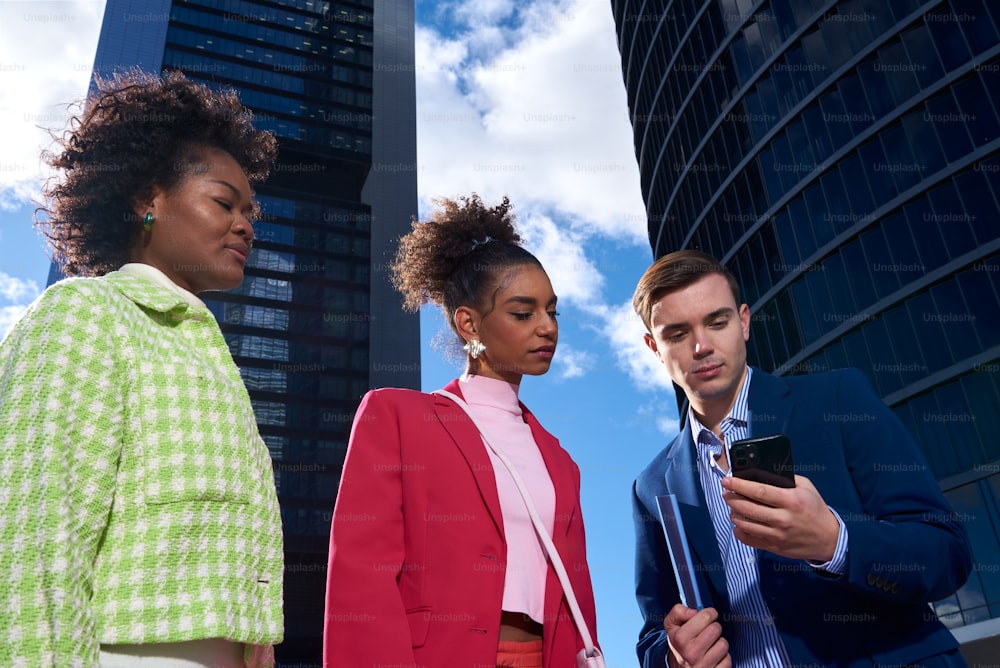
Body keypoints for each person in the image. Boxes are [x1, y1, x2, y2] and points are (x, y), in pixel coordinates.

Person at [0, 70, 284, 667]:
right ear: (147, 201)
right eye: (223, 202)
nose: (246, 224)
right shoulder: (85, 313)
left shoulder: (206, 353)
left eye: (250, 210)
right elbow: (33, 533)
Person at [630, 250, 972, 667]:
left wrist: (835, 541)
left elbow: (946, 553)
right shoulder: (652, 485)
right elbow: (653, 628)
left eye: (717, 322)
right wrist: (673, 659)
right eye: (678, 333)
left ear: (744, 321)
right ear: (653, 346)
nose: (702, 346)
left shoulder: (838, 399)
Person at [323, 194, 599, 667]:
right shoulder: (396, 416)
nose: (546, 327)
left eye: (552, 311)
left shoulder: (561, 463)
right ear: (468, 323)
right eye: (523, 312)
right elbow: (361, 576)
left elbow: (579, 600)